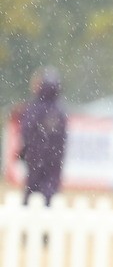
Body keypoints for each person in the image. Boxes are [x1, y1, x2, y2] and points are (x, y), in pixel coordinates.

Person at [18, 67, 68, 207]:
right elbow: (63, 138)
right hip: (54, 159)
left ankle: (26, 224)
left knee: (30, 191)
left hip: (35, 156)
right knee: (49, 193)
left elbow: (26, 131)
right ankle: (47, 224)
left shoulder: (34, 108)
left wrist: (25, 150)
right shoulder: (60, 110)